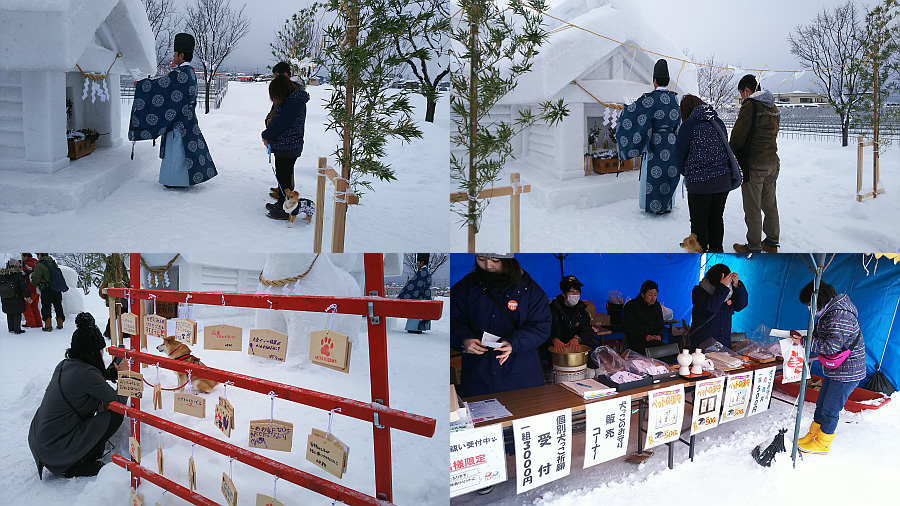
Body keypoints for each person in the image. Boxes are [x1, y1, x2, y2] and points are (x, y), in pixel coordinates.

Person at [28, 312, 130, 478]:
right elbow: (119, 402)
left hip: (42, 442)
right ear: (91, 353)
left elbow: (91, 379)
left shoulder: (65, 365)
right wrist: (125, 377)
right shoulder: (86, 374)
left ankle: (80, 452)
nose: (102, 354)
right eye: (100, 350)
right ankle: (78, 463)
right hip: (56, 448)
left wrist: (110, 373)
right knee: (115, 415)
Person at [450, 254, 551, 397]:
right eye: (481, 259)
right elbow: (452, 321)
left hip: (521, 376)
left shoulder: (530, 290)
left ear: (508, 259)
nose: (488, 265)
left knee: (522, 415)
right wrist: (464, 340)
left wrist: (514, 343)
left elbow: (541, 327)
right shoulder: (465, 288)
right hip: (479, 376)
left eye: (495, 260)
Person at [128, 32, 218, 188]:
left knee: (177, 153)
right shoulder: (189, 72)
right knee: (184, 152)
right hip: (186, 120)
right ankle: (182, 180)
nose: (174, 56)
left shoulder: (180, 75)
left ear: (181, 55)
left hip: (179, 122)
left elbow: (159, 87)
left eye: (175, 53)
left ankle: (175, 181)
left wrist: (142, 85)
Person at [792, 281, 866, 455]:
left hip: (847, 372)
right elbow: (824, 334)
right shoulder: (830, 311)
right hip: (837, 369)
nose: (809, 308)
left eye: (810, 304)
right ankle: (813, 434)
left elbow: (831, 346)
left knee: (830, 408)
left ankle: (823, 442)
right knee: (822, 403)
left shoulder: (840, 315)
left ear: (819, 299)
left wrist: (804, 342)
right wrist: (806, 335)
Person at [673, 94, 741, 253]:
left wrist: (687, 173)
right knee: (716, 219)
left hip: (699, 183)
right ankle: (717, 249)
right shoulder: (717, 121)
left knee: (699, 221)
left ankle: (699, 252)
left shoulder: (689, 125)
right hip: (723, 180)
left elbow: (678, 155)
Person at [617, 58, 682, 214]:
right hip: (672, 142)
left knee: (654, 175)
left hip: (655, 143)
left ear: (654, 81)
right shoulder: (674, 98)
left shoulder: (649, 100)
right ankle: (667, 205)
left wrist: (624, 109)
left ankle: (653, 207)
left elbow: (633, 113)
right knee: (669, 173)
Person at [729, 74, 781, 254]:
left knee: (753, 208)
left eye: (742, 94)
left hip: (755, 164)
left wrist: (730, 153)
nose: (743, 98)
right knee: (770, 204)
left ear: (747, 90)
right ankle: (772, 242)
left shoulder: (750, 105)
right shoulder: (772, 106)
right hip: (773, 162)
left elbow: (739, 134)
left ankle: (754, 246)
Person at [262, 74, 311, 220]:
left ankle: (286, 210)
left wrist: (265, 134)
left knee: (284, 178)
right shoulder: (293, 100)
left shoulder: (293, 103)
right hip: (287, 145)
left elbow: (280, 124)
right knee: (282, 177)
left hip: (287, 147)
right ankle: (282, 203)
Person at [690, 263, 748, 349]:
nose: (729, 282)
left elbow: (740, 305)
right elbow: (710, 309)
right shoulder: (700, 290)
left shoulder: (728, 292)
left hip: (723, 342)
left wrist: (737, 286)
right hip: (703, 342)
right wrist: (722, 287)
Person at [546, 275, 597, 354]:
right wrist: (554, 340)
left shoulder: (582, 312)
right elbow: (542, 331)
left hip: (576, 353)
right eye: (571, 291)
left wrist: (577, 338)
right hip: (556, 352)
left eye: (577, 291)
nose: (575, 294)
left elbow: (588, 331)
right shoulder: (551, 310)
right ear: (563, 293)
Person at [622, 280, 666, 353]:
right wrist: (644, 337)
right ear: (642, 295)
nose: (653, 298)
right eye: (650, 295)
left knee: (667, 351)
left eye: (655, 295)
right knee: (658, 350)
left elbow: (660, 325)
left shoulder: (657, 306)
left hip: (654, 342)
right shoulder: (631, 306)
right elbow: (626, 328)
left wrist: (660, 336)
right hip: (636, 342)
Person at [30, 253, 67, 332]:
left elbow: (35, 281)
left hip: (46, 288)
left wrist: (33, 277)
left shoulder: (40, 265)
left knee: (46, 306)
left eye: (37, 255)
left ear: (40, 255)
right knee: (58, 305)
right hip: (57, 288)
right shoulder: (53, 263)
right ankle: (60, 324)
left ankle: (48, 325)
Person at [398, 253, 433, 333]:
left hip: (420, 297)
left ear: (422, 262)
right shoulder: (426, 272)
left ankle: (414, 328)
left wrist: (403, 293)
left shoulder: (422, 272)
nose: (417, 264)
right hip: (425, 296)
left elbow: (413, 285)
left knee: (416, 313)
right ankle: (418, 327)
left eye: (418, 262)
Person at [1, 259, 30, 334]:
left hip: (5, 296)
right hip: (16, 296)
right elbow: (23, 286)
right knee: (17, 312)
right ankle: (17, 329)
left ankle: (11, 328)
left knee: (9, 312)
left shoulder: (2, 274)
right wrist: (28, 295)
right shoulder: (18, 275)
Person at [21, 253, 43, 328]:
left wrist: (21, 264)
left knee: (25, 306)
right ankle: (38, 323)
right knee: (34, 307)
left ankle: (30, 323)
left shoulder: (30, 263)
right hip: (36, 290)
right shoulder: (36, 262)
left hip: (31, 289)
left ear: (26, 256)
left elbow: (28, 267)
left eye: (21, 256)